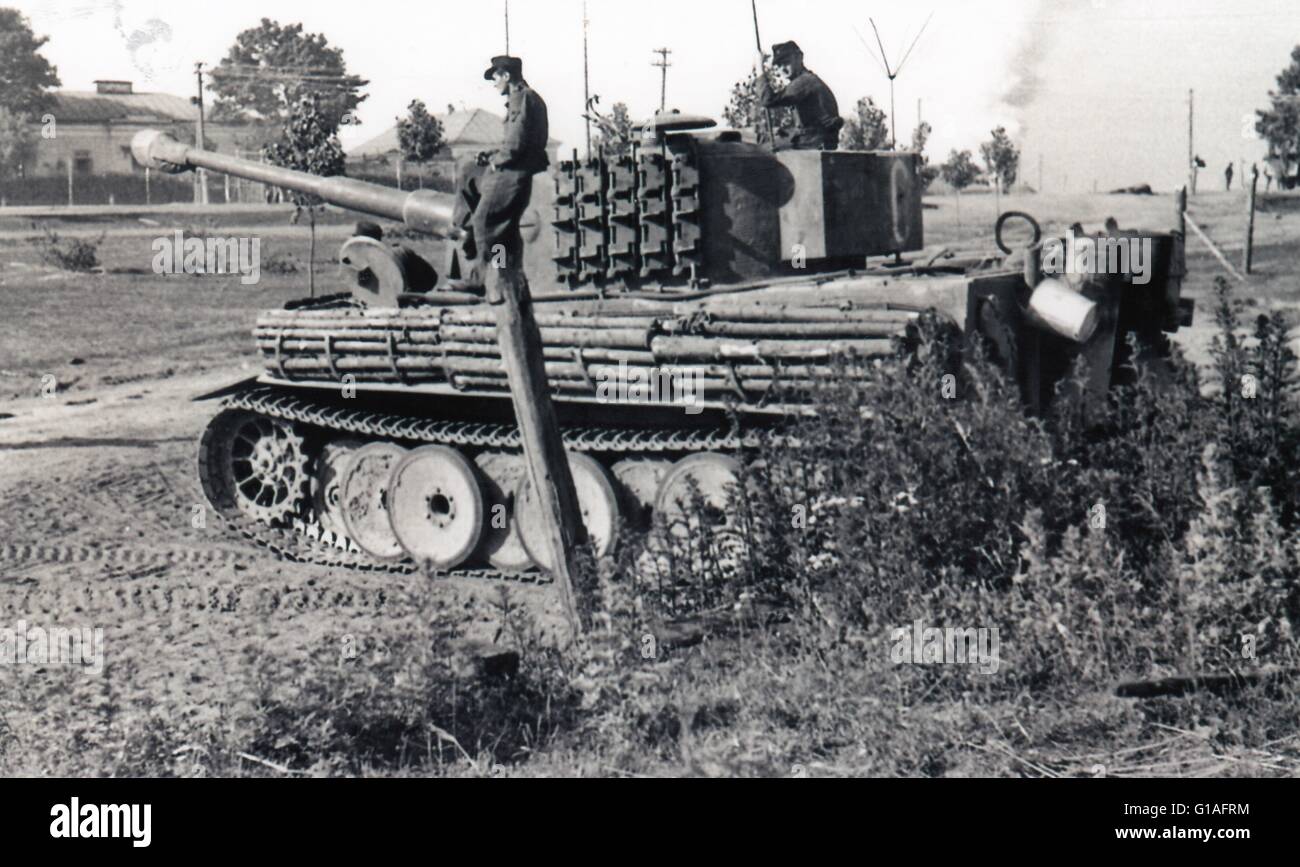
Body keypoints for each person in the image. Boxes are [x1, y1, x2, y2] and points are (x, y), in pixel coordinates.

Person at [453, 55, 549, 298]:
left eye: (495, 77)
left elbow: (516, 145)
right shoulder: (526, 97)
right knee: (467, 170)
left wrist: (497, 161)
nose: (494, 82)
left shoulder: (521, 97)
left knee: (485, 221)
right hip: (517, 165)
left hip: (515, 171)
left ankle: (481, 278)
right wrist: (492, 154)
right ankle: (466, 235)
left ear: (506, 76)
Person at [757, 41, 843, 151]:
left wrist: (759, 69)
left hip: (814, 141)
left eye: (786, 62)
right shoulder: (808, 80)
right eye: (778, 66)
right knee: (771, 136)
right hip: (815, 138)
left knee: (762, 147)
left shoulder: (805, 81)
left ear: (799, 57)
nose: (782, 69)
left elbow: (768, 100)